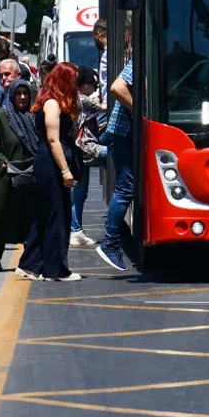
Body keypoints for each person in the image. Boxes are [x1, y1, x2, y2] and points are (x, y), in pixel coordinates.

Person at [20, 62, 82, 282]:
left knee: (45, 214)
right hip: (51, 162)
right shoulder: (53, 104)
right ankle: (55, 270)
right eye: (73, 79)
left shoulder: (55, 102)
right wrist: (65, 170)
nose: (76, 84)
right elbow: (53, 140)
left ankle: (31, 264)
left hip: (49, 161)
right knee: (58, 214)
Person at [0, 79, 37, 272]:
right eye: (18, 93)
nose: (22, 97)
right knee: (1, 218)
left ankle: (29, 260)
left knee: (29, 217)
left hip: (30, 175)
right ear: (12, 95)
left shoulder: (34, 115)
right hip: (7, 176)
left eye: (25, 93)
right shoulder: (2, 116)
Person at [96, 56, 135, 271]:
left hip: (122, 134)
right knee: (125, 188)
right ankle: (109, 243)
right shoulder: (142, 59)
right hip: (123, 133)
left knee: (127, 187)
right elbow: (117, 87)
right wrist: (141, 112)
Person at [70, 66, 106, 247]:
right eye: (93, 85)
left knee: (80, 193)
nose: (95, 88)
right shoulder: (83, 100)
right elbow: (105, 108)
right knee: (112, 154)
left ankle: (76, 230)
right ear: (84, 86)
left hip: (80, 148)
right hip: (87, 147)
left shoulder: (78, 98)